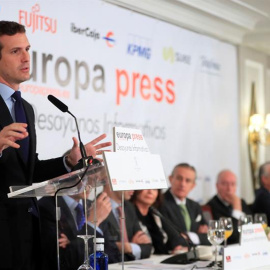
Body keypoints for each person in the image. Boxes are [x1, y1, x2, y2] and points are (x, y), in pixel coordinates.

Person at [0, 20, 111, 270]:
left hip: (27, 234)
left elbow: (30, 173)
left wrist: (69, 161)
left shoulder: (25, 108)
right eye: (15, 51)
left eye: (27, 49)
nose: (26, 57)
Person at [38, 190, 121, 270]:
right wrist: (91, 223)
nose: (89, 185)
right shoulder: (46, 206)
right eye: (83, 178)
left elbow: (113, 254)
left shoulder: (93, 205)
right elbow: (63, 261)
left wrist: (73, 240)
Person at [160, 163, 210, 245]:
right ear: (170, 179)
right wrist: (197, 236)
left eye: (188, 180)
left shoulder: (195, 206)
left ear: (193, 185)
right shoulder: (160, 203)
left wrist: (189, 236)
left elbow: (209, 237)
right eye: (179, 178)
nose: (183, 184)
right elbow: (172, 239)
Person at [100, 184, 152, 261]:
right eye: (126, 181)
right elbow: (105, 249)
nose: (133, 187)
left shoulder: (129, 207)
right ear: (109, 179)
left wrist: (129, 247)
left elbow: (147, 246)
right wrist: (132, 246)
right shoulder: (95, 207)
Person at [130, 189, 188, 254]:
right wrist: (132, 246)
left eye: (155, 189)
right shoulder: (127, 213)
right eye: (146, 187)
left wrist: (176, 247)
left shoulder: (155, 214)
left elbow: (174, 237)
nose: (150, 192)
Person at [206, 169, 252, 244]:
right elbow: (231, 237)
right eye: (225, 184)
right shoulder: (211, 206)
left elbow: (252, 227)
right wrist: (237, 209)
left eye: (233, 184)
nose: (229, 189)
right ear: (217, 186)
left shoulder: (241, 202)